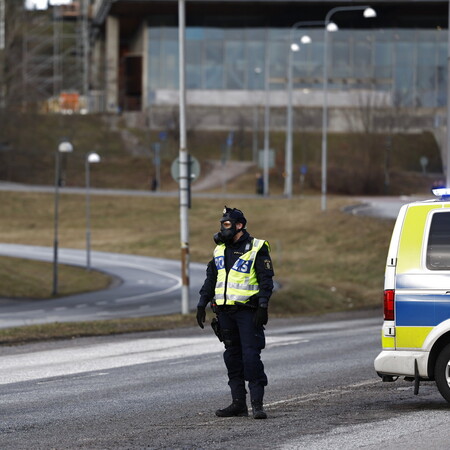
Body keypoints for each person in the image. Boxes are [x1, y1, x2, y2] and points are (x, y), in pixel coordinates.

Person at [196, 206, 274, 419]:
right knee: (232, 358)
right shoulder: (220, 249)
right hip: (225, 313)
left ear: (240, 225)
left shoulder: (256, 248)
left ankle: (257, 404)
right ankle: (238, 403)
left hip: (248, 312)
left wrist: (263, 306)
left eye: (227, 224)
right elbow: (211, 279)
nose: (223, 228)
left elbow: (266, 281)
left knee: (251, 358)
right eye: (222, 224)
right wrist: (202, 304)